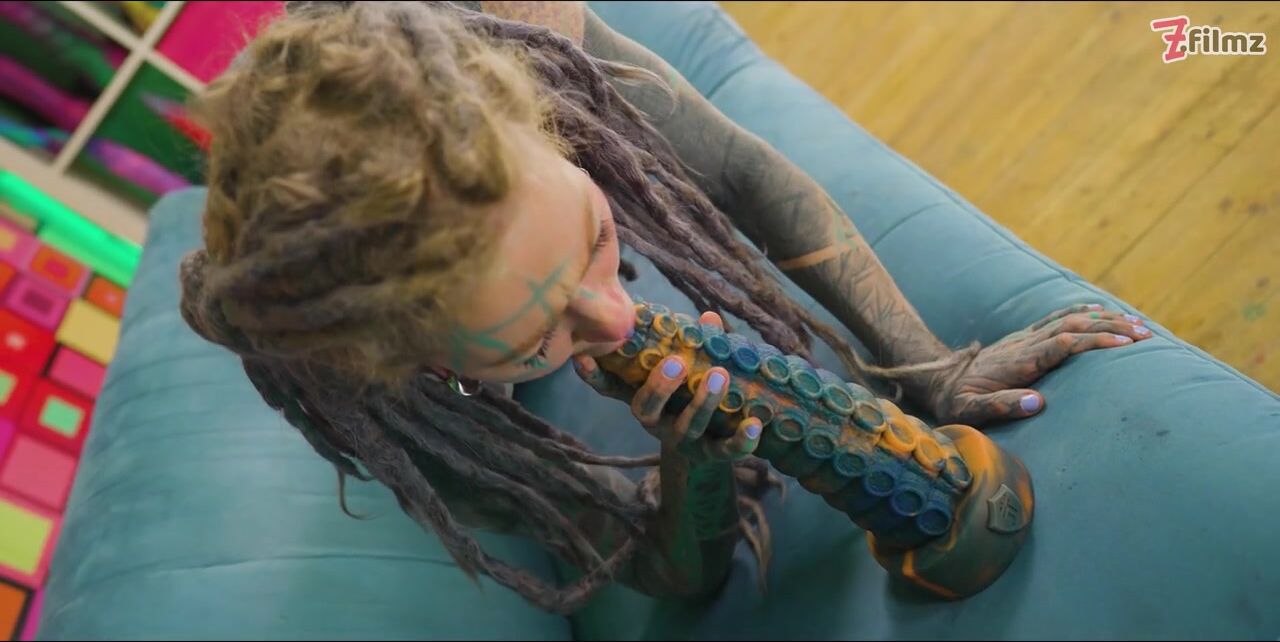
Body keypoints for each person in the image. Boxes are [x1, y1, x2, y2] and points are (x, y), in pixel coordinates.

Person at [177, 1, 1153, 615]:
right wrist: (695, 464)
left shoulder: (524, 47)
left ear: (545, 123)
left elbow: (737, 169)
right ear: (424, 362)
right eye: (540, 334)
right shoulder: (361, 381)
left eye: (600, 239)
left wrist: (928, 364)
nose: (612, 319)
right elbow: (665, 575)